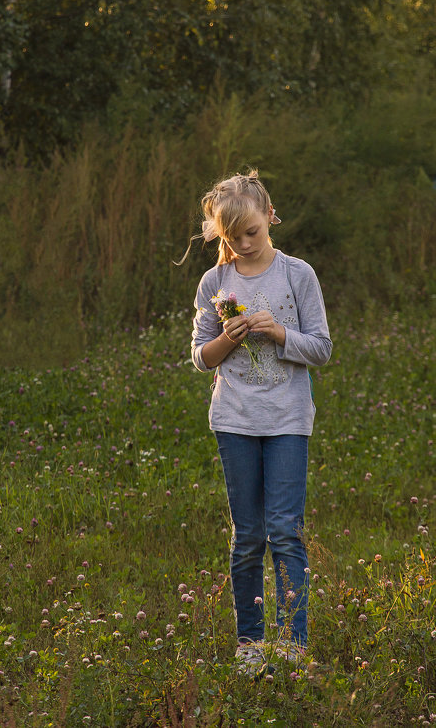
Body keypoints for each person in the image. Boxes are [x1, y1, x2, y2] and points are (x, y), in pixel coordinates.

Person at [189, 172, 332, 677]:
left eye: (252, 232)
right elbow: (201, 358)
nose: (244, 245)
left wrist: (280, 333)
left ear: (271, 217)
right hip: (235, 420)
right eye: (232, 238)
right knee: (248, 535)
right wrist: (230, 338)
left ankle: (292, 643)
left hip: (289, 420)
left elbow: (322, 348)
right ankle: (250, 644)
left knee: (284, 531)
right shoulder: (215, 283)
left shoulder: (298, 275)